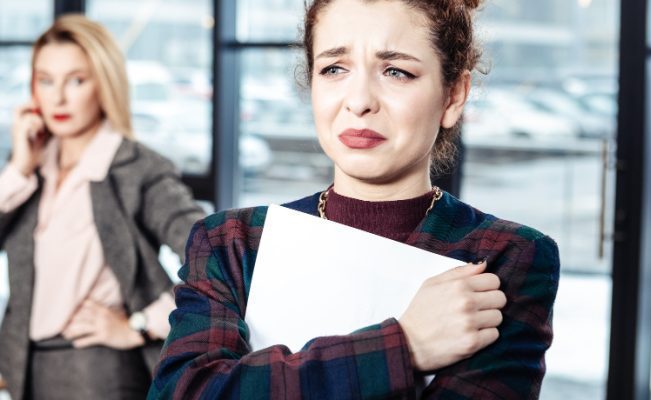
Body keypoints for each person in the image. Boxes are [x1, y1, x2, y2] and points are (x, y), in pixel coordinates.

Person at [148, 0, 560, 398]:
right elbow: (185, 392)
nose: (359, 101)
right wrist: (404, 345)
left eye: (396, 71)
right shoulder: (231, 242)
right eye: (334, 69)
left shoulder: (506, 257)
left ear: (453, 96)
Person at [0, 14, 205, 400]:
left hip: (99, 371)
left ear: (104, 84)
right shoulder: (32, 165)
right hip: (25, 366)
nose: (58, 98)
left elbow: (212, 261)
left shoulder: (137, 169)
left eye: (76, 80)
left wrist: (140, 324)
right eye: (45, 80)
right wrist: (18, 169)